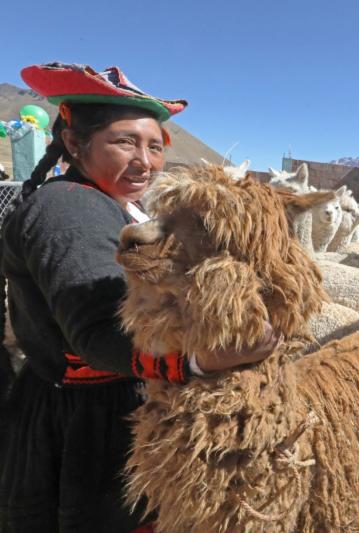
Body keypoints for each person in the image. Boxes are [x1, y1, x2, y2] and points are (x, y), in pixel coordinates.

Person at [0, 63, 281, 532]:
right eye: (125, 142)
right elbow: (97, 333)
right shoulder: (68, 208)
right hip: (85, 430)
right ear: (74, 143)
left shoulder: (116, 204)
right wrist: (200, 362)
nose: (145, 161)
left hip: (117, 405)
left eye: (154, 147)